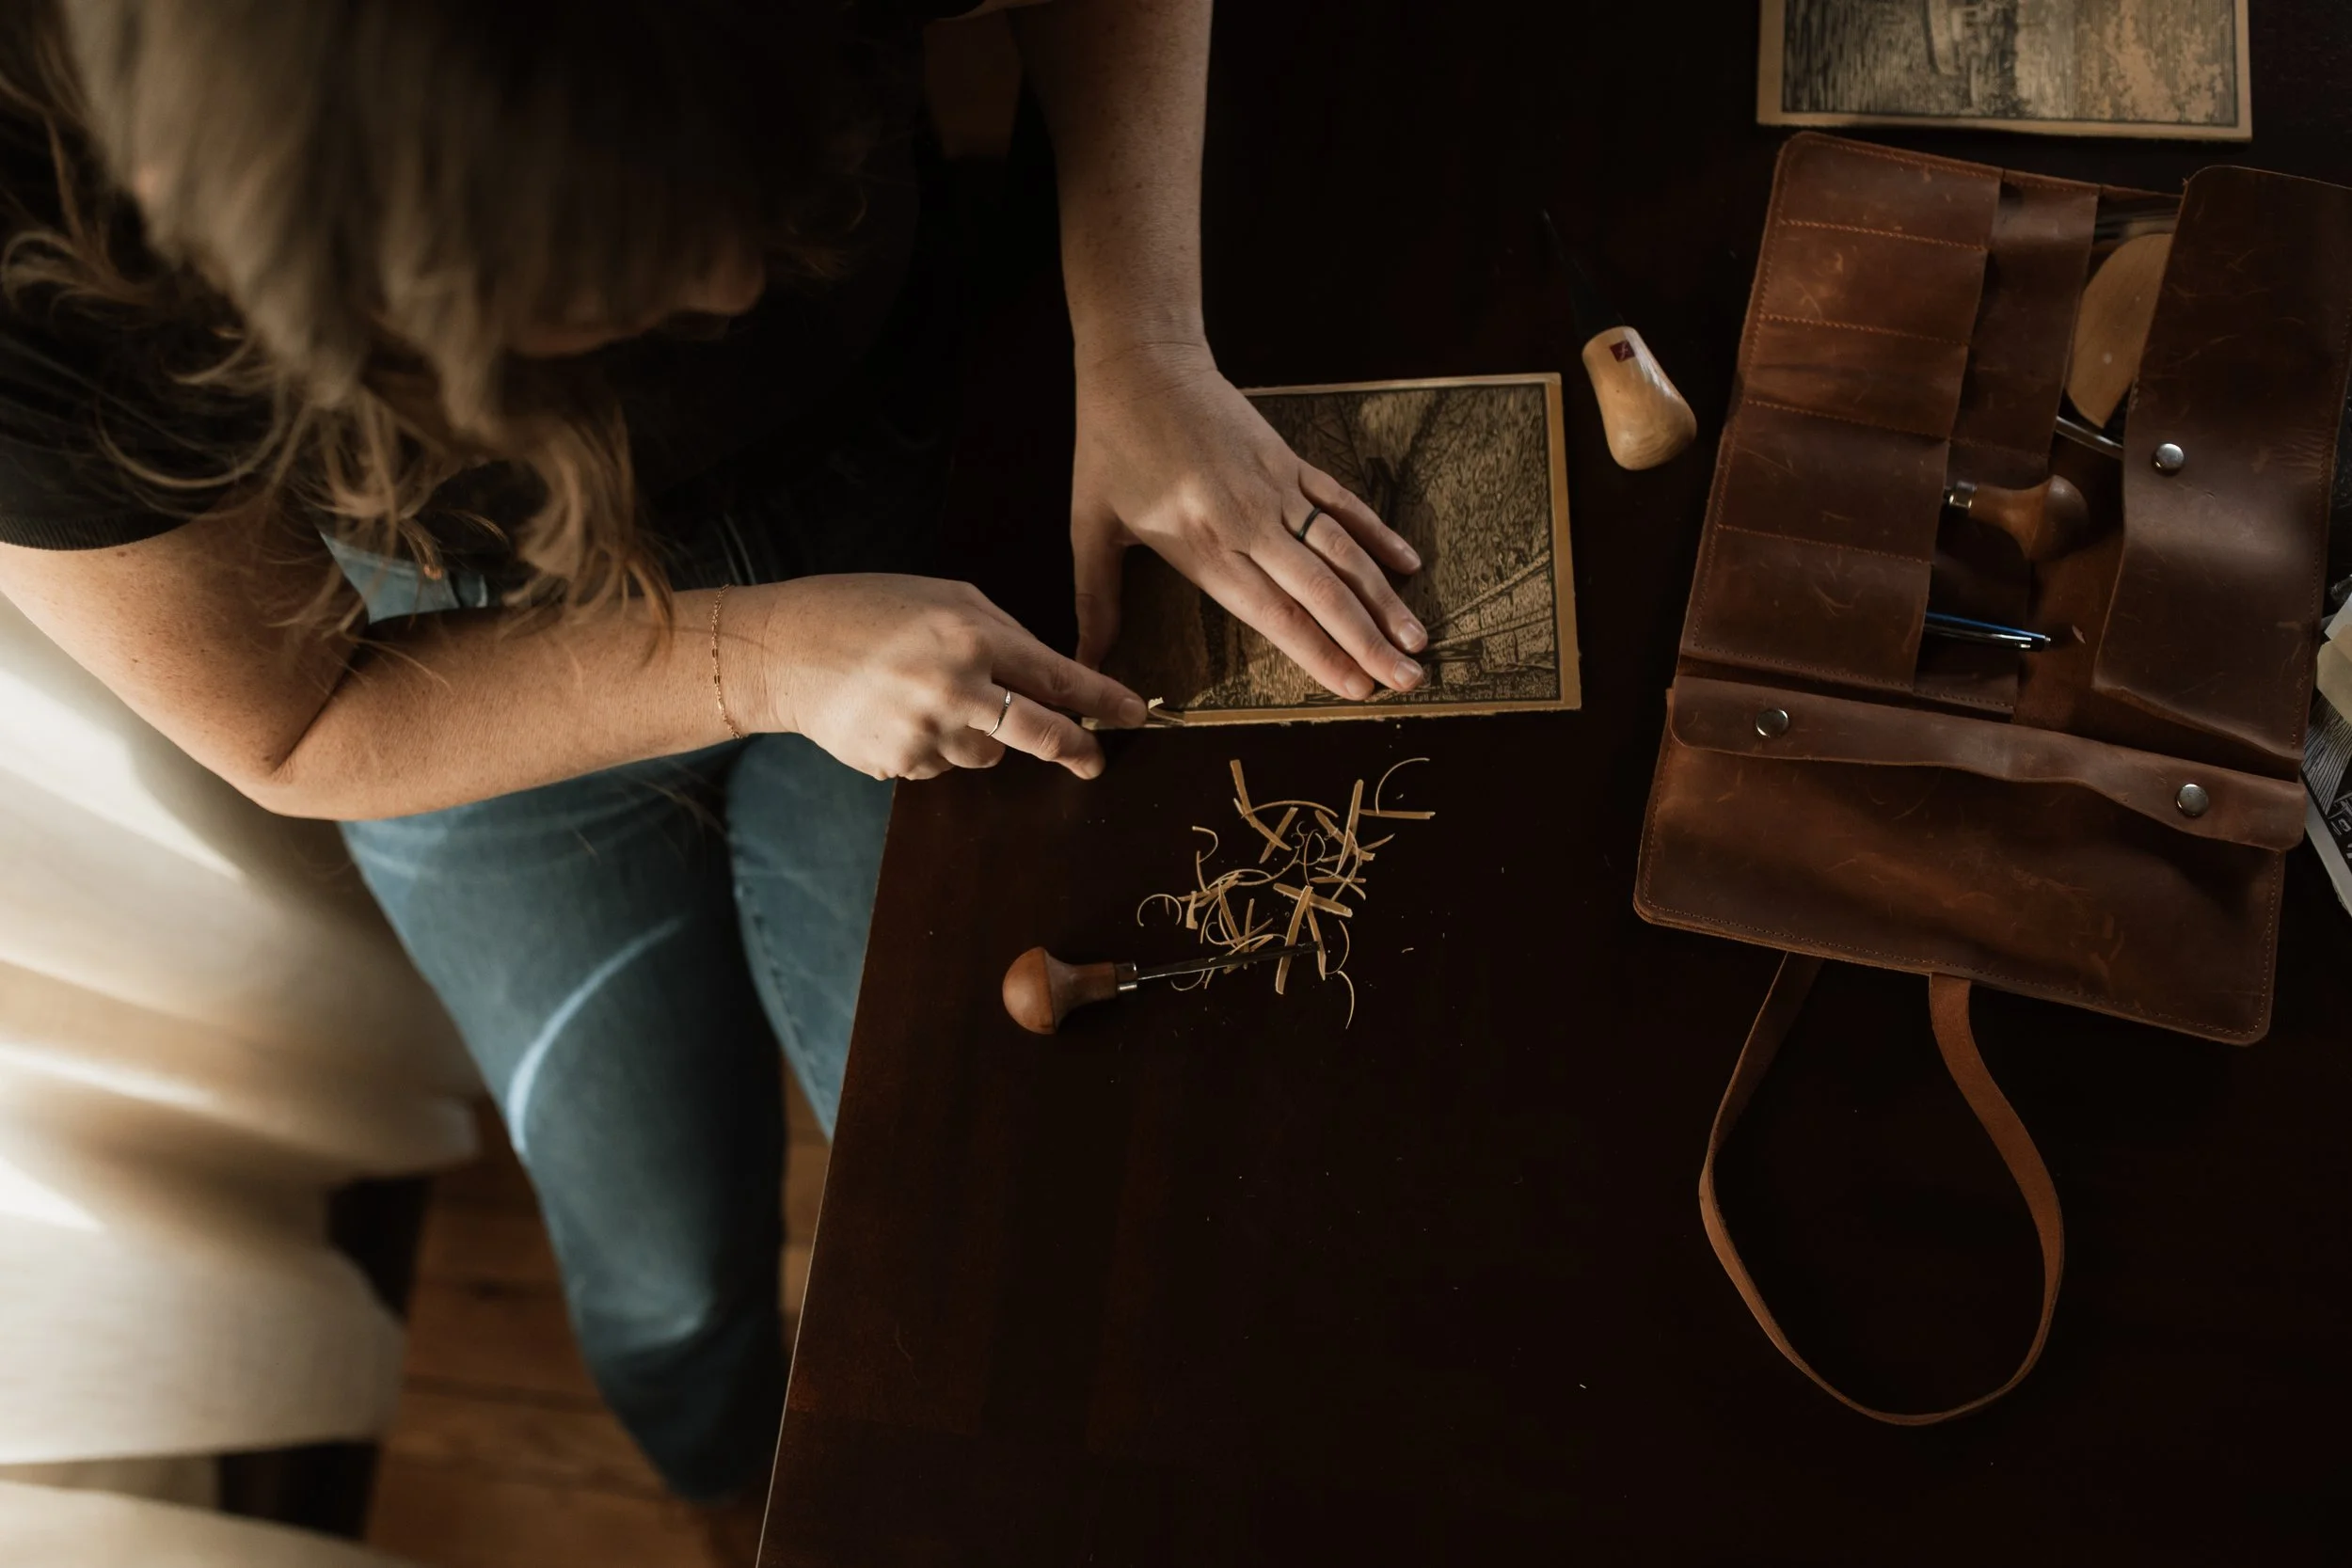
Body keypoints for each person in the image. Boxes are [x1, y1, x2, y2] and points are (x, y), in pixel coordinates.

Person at [0, 0, 1429, 1529]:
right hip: (435, 653)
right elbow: (294, 722)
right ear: (347, 290)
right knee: (663, 1273)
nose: (745, 276)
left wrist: (1141, 337)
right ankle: (741, 1502)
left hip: (890, 468)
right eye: (619, 254)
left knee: (960, 1163)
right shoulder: (36, 235)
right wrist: (767, 658)